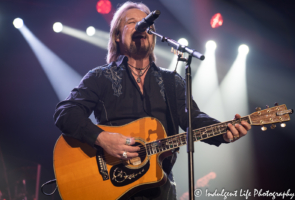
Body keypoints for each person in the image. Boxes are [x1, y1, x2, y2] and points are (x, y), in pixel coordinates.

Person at [53, 2, 251, 200]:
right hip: (113, 188)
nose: (141, 26)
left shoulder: (172, 81)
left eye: (145, 23)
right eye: (132, 22)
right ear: (116, 35)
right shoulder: (100, 77)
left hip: (159, 187)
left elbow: (194, 118)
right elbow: (66, 113)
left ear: (153, 36)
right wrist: (102, 138)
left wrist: (224, 132)